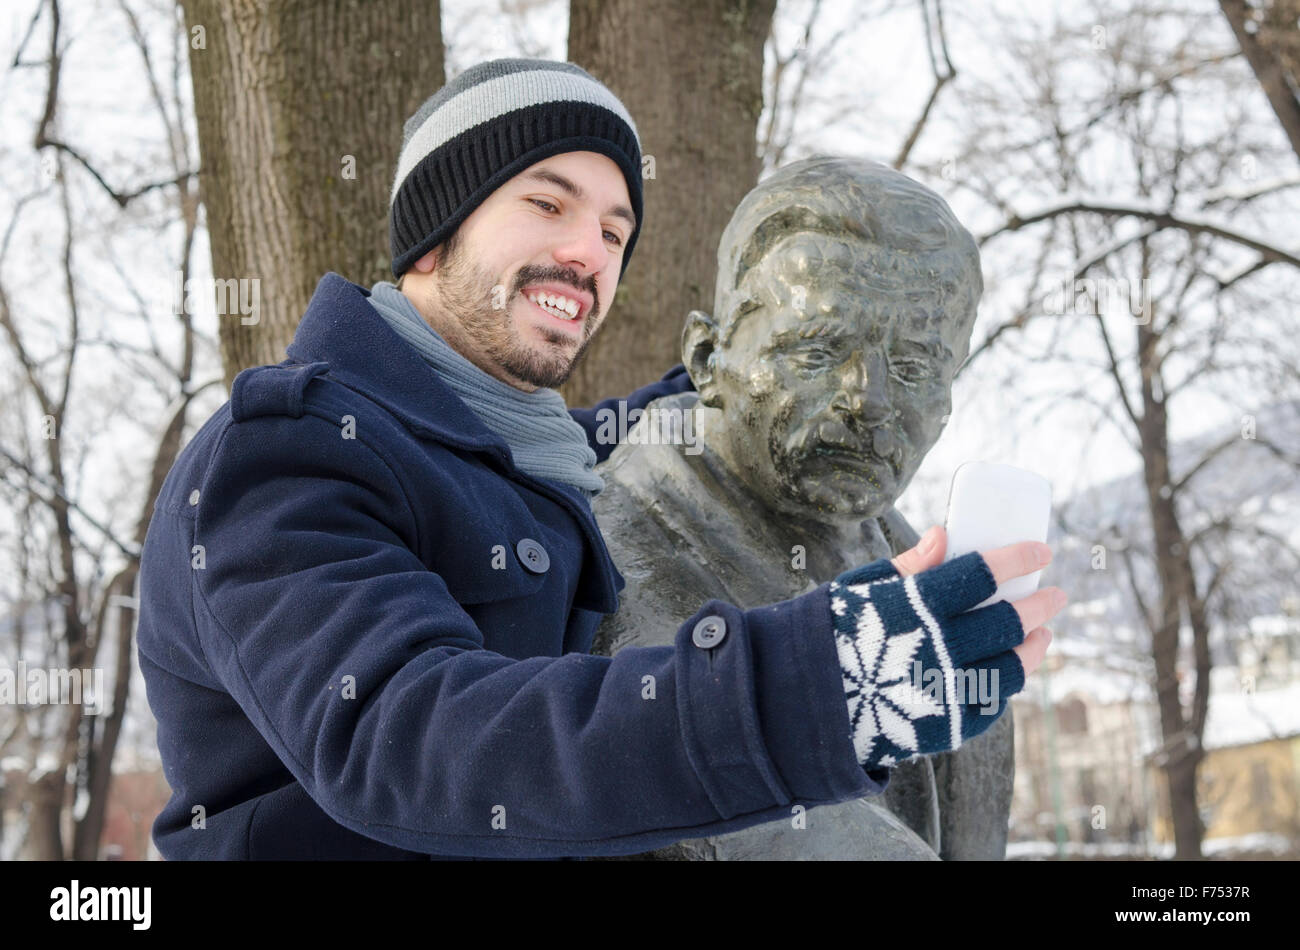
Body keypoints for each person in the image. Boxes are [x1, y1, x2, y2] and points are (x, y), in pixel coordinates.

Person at [136, 58, 1064, 860]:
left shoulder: (537, 454)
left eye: (616, 233)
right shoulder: (282, 456)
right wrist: (827, 680)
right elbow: (412, 738)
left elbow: (648, 423)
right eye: (547, 203)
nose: (587, 253)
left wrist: (784, 378)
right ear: (435, 228)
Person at [589, 156, 1018, 858]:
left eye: (914, 368)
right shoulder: (608, 558)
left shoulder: (944, 594)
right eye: (818, 353)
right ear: (706, 358)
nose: (871, 402)